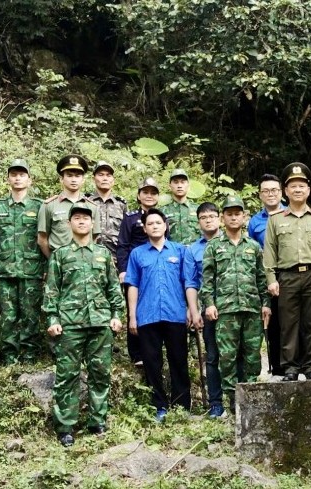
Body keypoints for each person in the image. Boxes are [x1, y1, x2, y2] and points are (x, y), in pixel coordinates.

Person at [42, 204, 123, 446]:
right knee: (67, 376)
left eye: (85, 219)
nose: (81, 222)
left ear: (92, 224)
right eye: (76, 218)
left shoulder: (102, 254)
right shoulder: (60, 255)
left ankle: (97, 421)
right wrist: (52, 319)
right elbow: (52, 291)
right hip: (70, 324)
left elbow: (112, 288)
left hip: (100, 323)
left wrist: (117, 314)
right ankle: (65, 427)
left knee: (100, 374)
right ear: (69, 224)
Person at [124, 208, 200, 421]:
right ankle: (159, 406)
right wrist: (132, 316)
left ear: (165, 226)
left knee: (178, 360)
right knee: (152, 363)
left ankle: (182, 405)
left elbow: (189, 282)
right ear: (145, 228)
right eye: (150, 223)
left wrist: (190, 309)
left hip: (175, 314)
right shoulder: (137, 254)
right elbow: (133, 285)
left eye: (158, 222)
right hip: (147, 315)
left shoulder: (179, 251)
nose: (155, 226)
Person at [262, 162, 311, 382]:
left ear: (308, 190)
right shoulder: (276, 220)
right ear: (286, 191)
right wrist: (271, 279)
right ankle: (290, 367)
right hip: (287, 276)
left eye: (302, 185)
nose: (297, 189)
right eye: (293, 186)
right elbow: (270, 253)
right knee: (288, 323)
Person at [202, 195, 270, 413]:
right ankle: (233, 403)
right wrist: (210, 304)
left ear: (244, 217)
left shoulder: (254, 247)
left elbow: (262, 278)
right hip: (225, 311)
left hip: (251, 309)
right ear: (223, 218)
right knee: (227, 358)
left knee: (251, 356)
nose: (233, 218)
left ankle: (250, 400)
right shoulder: (213, 247)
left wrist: (266, 304)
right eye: (229, 214)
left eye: (237, 213)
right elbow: (207, 280)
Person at [0, 159, 45, 364]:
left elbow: (45, 238)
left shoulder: (39, 207)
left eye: (22, 174)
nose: (18, 178)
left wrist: (45, 267)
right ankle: (9, 357)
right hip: (5, 270)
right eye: (14, 174)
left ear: (29, 179)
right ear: (8, 178)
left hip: (32, 270)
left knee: (30, 316)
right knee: (8, 317)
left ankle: (29, 356)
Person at [116, 177, 162, 366]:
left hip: (155, 270)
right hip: (135, 269)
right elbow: (123, 245)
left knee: (154, 307)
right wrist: (123, 269)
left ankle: (154, 349)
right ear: (139, 195)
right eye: (145, 192)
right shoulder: (131, 218)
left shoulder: (161, 218)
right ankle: (137, 353)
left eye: (153, 193)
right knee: (133, 310)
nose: (149, 196)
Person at [247, 174, 287, 378]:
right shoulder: (254, 222)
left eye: (274, 190)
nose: (270, 194)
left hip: (293, 272)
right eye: (266, 191)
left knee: (296, 320)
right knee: (274, 322)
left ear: (281, 192)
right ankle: (278, 368)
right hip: (268, 275)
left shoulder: (292, 212)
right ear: (260, 195)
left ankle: (299, 365)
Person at [188, 202, 225, 417]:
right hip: (208, 308)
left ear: (219, 218)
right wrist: (194, 311)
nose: (208, 220)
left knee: (237, 354)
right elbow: (192, 282)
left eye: (212, 216)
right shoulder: (193, 249)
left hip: (234, 307)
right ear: (198, 222)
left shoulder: (232, 241)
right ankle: (215, 402)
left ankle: (237, 398)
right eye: (204, 217)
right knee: (212, 357)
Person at [37, 154, 96, 257]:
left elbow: (95, 237)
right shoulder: (49, 205)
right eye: (69, 175)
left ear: (83, 180)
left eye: (77, 176)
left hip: (85, 262)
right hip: (58, 262)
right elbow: (42, 238)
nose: (73, 180)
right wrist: (53, 261)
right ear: (61, 179)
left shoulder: (92, 207)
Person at [86, 161, 128, 256]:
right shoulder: (86, 201)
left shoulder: (121, 204)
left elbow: (125, 233)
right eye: (101, 175)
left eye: (108, 175)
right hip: (90, 256)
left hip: (115, 257)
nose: (105, 178)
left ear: (113, 180)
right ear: (94, 179)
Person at [161, 168, 199, 245]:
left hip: (193, 253)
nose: (179, 186)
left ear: (188, 185)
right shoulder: (162, 211)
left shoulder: (198, 209)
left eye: (183, 182)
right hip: (171, 253)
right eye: (176, 182)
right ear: (170, 186)